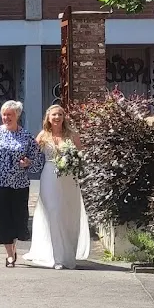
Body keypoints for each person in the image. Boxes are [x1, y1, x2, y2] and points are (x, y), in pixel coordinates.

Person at [0, 100, 44, 267]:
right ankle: (10, 254)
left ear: (17, 116)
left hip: (19, 184)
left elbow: (38, 159)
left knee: (18, 219)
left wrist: (28, 163)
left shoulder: (26, 136)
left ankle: (12, 245)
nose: (6, 118)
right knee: (1, 219)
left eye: (10, 115)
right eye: (4, 114)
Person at [24, 105, 91, 270]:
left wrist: (74, 160)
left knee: (68, 214)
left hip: (69, 178)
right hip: (49, 176)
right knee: (53, 212)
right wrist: (26, 162)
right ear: (48, 117)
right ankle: (56, 257)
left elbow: (82, 154)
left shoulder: (72, 134)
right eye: (54, 114)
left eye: (60, 114)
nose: (57, 117)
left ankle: (67, 252)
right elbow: (31, 154)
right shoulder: (43, 135)